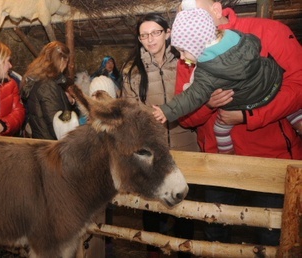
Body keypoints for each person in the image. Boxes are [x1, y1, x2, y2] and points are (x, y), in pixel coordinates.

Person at [174, 0, 302, 246]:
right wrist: (207, 103)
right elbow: (186, 117)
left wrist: (249, 115)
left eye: (193, 14)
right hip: (217, 164)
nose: (187, 22)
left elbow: (298, 85)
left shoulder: (269, 31)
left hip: (270, 162)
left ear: (215, 9)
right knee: (216, 237)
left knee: (272, 237)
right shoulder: (188, 56)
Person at [151, 8, 302, 155]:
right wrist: (208, 104)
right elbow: (186, 121)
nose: (182, 58)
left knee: (221, 129)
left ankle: (226, 153)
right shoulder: (239, 37)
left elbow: (191, 96)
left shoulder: (204, 71)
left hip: (273, 151)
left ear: (216, 9)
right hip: (272, 83)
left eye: (183, 51)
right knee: (291, 109)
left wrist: (167, 110)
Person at [121, 13, 199, 258]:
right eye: (144, 35)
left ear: (167, 33)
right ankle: (153, 251)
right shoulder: (132, 70)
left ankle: (184, 251)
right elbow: (129, 110)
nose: (149, 39)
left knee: (185, 207)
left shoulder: (185, 62)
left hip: (186, 144)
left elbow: (198, 97)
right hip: (153, 151)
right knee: (152, 206)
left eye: (155, 32)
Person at [20, 41, 76, 140]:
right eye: (66, 61)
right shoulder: (47, 86)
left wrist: (68, 100)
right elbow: (56, 124)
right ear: (62, 60)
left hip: (42, 138)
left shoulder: (39, 79)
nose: (66, 66)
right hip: (50, 144)